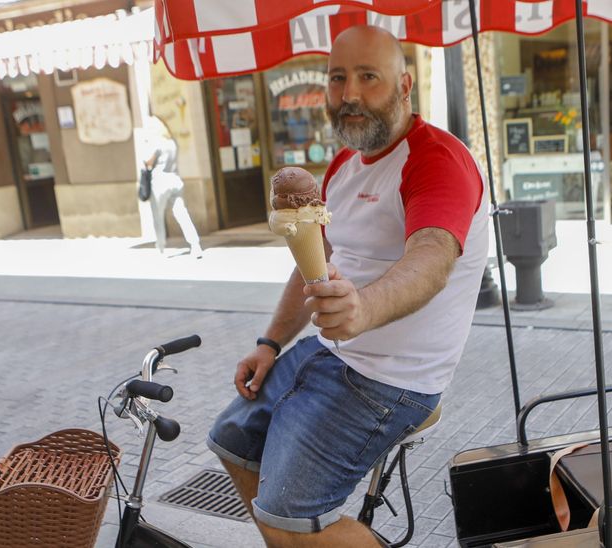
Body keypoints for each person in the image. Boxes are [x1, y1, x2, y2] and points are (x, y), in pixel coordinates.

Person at [206, 25, 489, 548]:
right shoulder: (343, 165)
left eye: (368, 77)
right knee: (231, 440)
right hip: (330, 354)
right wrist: (269, 343)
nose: (350, 94)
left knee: (286, 510)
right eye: (338, 78)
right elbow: (312, 262)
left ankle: (293, 534)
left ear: (405, 86)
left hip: (390, 378)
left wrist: (364, 306)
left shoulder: (436, 160)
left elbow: (431, 256)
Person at [142, 116, 202, 257]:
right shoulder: (171, 143)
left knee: (158, 216)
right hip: (175, 180)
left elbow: (148, 162)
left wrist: (146, 143)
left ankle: (160, 248)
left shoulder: (155, 143)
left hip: (159, 182)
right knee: (182, 214)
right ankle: (195, 244)